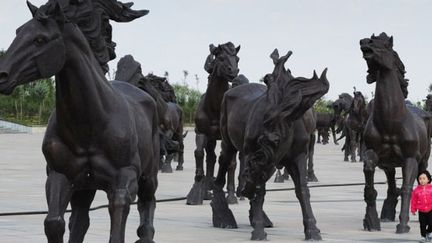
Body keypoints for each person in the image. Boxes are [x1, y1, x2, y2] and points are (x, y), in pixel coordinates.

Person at [411, 170, 432, 242]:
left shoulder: (431, 189)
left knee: (431, 223)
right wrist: (413, 209)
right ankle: (423, 236)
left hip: (430, 209)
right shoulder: (416, 190)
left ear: (428, 179)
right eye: (420, 179)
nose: (422, 180)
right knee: (422, 224)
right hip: (421, 210)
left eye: (424, 178)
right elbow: (413, 201)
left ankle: (428, 232)